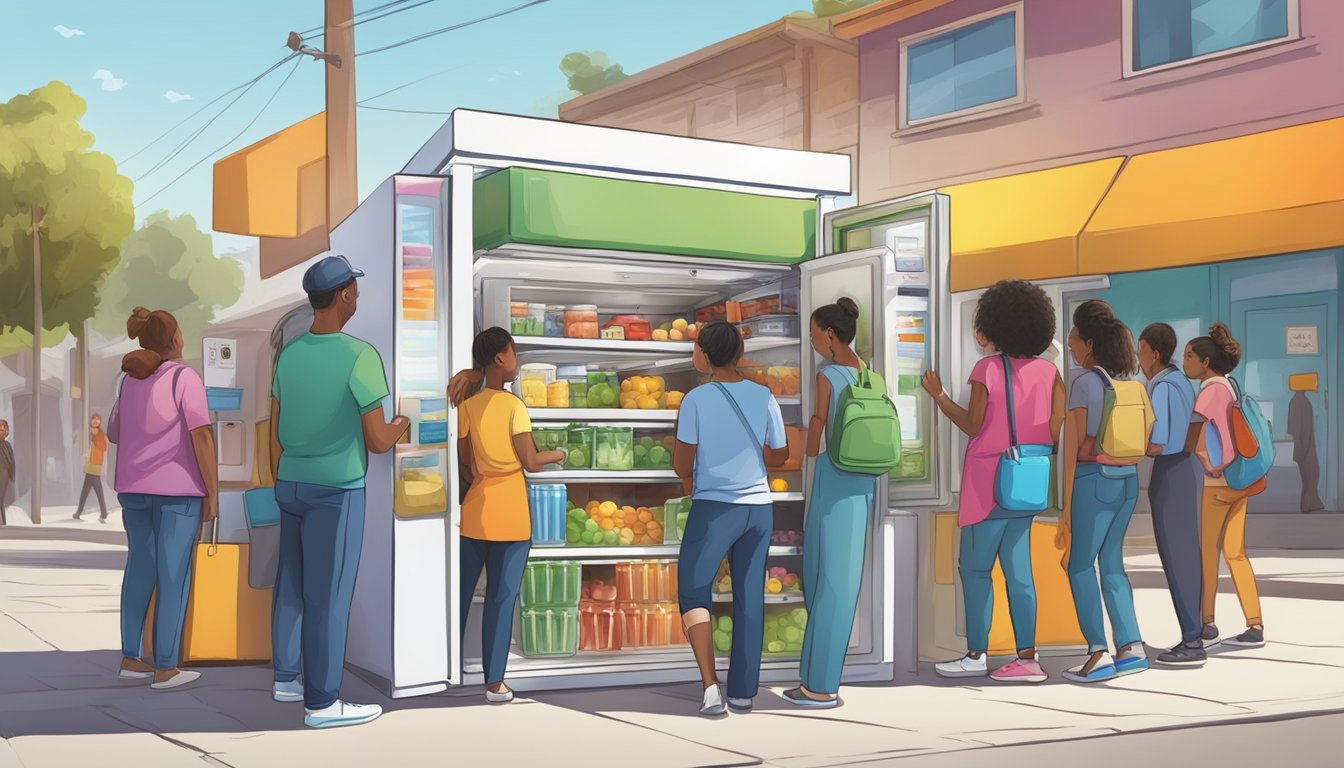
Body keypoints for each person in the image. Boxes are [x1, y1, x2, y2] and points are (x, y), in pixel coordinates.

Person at [270, 255, 410, 729]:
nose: (358, 296)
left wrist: (282, 478)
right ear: (346, 295)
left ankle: (287, 680)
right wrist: (403, 422)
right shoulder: (360, 355)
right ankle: (323, 702)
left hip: (291, 483)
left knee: (291, 585)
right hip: (337, 490)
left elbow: (274, 429)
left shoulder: (289, 354)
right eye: (355, 288)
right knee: (328, 595)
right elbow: (376, 440)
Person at [924, 281, 1064, 684]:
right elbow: (1055, 430)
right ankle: (1028, 657)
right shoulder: (1050, 372)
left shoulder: (987, 368)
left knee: (975, 569)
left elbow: (972, 424)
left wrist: (939, 396)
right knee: (1020, 574)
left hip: (987, 480)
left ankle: (975, 654)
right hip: (1028, 479)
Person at [673, 320, 789, 716]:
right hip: (759, 510)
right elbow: (779, 455)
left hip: (715, 509)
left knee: (693, 591)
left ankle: (710, 688)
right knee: (748, 597)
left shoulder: (695, 400)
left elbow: (679, 465)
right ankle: (742, 692)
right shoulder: (764, 396)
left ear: (705, 355)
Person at [454, 327, 566, 704]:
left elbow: (465, 464)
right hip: (511, 514)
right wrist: (559, 454)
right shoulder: (514, 406)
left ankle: (447, 666)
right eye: (513, 351)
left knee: (461, 595)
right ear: (501, 357)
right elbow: (531, 462)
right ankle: (494, 683)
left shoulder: (467, 407)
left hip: (476, 511)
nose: (516, 359)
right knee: (502, 600)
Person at [110, 308, 218, 690]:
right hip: (178, 492)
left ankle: (130, 657)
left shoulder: (129, 381)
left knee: (140, 566)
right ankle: (167, 666)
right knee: (173, 575)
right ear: (173, 339)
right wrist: (213, 492)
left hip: (133, 489)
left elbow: (113, 432)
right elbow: (202, 436)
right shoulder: (184, 377)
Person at [784, 297, 879, 708]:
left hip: (832, 478)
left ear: (829, 334)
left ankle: (820, 686)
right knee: (844, 579)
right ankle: (814, 680)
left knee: (824, 580)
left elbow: (817, 426)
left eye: (812, 334)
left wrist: (800, 461)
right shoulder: (872, 376)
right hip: (863, 483)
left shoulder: (829, 376)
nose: (812, 342)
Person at [1057, 299, 1148, 683]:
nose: (1070, 342)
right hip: (1127, 480)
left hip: (1093, 481)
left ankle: (1098, 652)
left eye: (1074, 336)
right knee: (1111, 565)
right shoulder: (1129, 384)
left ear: (1089, 342)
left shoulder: (1083, 384)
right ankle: (1131, 647)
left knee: (1078, 564)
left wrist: (1064, 511)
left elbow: (1074, 452)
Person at [1184, 323, 1265, 649]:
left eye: (1190, 356)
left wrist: (1208, 464)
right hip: (1240, 481)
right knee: (1236, 554)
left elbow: (1202, 436)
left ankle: (1207, 623)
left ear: (1205, 362)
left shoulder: (1209, 390)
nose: (1185, 362)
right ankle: (1255, 624)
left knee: (1207, 553)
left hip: (1215, 484)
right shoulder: (1230, 385)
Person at [1138, 323, 1206, 667]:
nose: (1138, 358)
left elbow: (1159, 443)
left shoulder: (1161, 387)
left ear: (1154, 354)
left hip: (1171, 471)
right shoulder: (1181, 382)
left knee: (1177, 557)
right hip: (1188, 468)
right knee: (1188, 552)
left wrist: (1131, 444)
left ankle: (1192, 641)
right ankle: (1199, 628)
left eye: (1140, 350)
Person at [1287, 377, 1325, 513]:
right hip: (1304, 446)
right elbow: (1297, 428)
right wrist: (1301, 448)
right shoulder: (1299, 401)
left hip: (1305, 445)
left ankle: (1310, 504)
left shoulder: (1299, 401)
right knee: (1310, 475)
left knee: (1311, 475)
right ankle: (1308, 505)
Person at [74, 413, 110, 523]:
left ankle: (103, 513)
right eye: (94, 419)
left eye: (98, 420)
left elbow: (103, 446)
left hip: (94, 466)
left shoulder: (97, 433)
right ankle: (79, 512)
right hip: (91, 466)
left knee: (96, 491)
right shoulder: (97, 433)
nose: (96, 421)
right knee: (86, 491)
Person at [0, 418, 13, 526]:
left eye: (4, 429)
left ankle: (3, 521)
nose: (2, 431)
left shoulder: (7, 445)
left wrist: (11, 474)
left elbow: (11, 461)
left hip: (4, 474)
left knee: (1, 498)